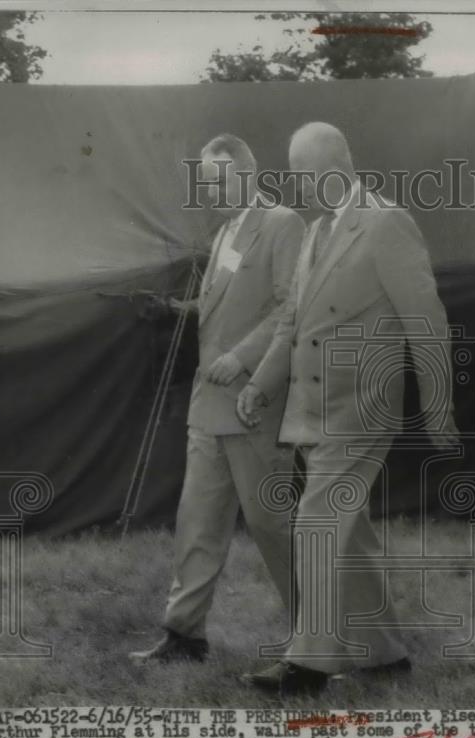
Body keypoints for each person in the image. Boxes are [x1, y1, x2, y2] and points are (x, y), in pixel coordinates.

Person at [236, 122, 458, 694]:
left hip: (362, 403)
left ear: (334, 167)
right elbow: (293, 320)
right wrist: (261, 384)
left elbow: (426, 322)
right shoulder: (316, 233)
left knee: (315, 522)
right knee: (345, 529)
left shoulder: (386, 223)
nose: (298, 186)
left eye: (303, 174)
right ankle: (383, 652)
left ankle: (310, 662)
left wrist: (438, 407)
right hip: (316, 406)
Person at [130, 134, 305, 663]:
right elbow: (228, 308)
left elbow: (292, 307)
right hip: (209, 407)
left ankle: (323, 636)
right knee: (197, 521)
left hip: (254, 404)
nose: (210, 191)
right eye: (205, 182)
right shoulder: (227, 231)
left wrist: (244, 358)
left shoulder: (281, 224)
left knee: (273, 526)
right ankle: (184, 634)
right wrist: (180, 309)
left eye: (219, 179)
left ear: (249, 174)